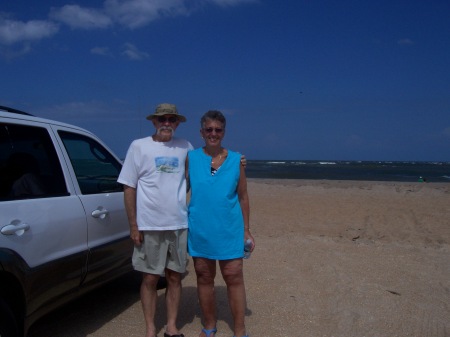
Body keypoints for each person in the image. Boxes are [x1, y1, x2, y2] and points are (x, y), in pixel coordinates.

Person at [118, 103, 191, 337]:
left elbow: (200, 174)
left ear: (177, 123)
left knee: (174, 277)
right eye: (162, 120)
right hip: (149, 226)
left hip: (178, 225)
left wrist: (235, 162)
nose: (167, 124)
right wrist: (133, 225)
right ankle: (150, 328)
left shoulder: (185, 147)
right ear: (154, 122)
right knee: (149, 278)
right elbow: (129, 187)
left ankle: (171, 325)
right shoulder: (138, 146)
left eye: (171, 120)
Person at [187, 110, 255, 337]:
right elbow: (172, 186)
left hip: (229, 230)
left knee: (234, 277)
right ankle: (209, 325)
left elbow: (243, 196)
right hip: (200, 230)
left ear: (224, 132)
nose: (213, 134)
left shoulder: (237, 160)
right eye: (209, 129)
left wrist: (247, 230)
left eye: (218, 130)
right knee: (204, 277)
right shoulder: (191, 158)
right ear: (201, 132)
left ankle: (239, 329)